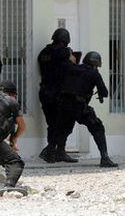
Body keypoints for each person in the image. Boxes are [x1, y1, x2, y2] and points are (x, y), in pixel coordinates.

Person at [56, 51, 118, 167]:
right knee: (98, 127)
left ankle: (59, 151)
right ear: (95, 64)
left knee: (65, 128)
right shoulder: (93, 73)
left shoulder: (73, 69)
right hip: (79, 106)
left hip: (64, 104)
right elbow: (104, 92)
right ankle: (104, 157)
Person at [38, 28, 76, 163]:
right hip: (58, 93)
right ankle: (52, 150)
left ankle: (54, 152)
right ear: (65, 41)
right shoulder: (63, 53)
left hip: (45, 92)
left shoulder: (43, 53)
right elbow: (70, 68)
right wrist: (71, 59)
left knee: (52, 124)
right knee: (62, 124)